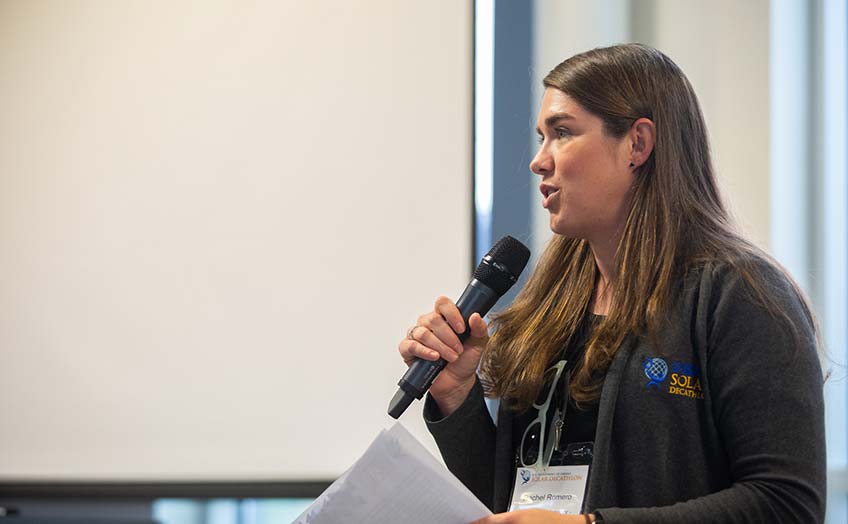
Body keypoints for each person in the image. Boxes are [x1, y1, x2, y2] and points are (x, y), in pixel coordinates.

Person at [397, 44, 826, 523]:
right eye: (541, 137)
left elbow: (787, 505)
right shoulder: (553, 303)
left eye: (562, 133)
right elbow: (509, 501)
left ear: (637, 144)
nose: (539, 161)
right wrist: (458, 395)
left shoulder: (739, 293)